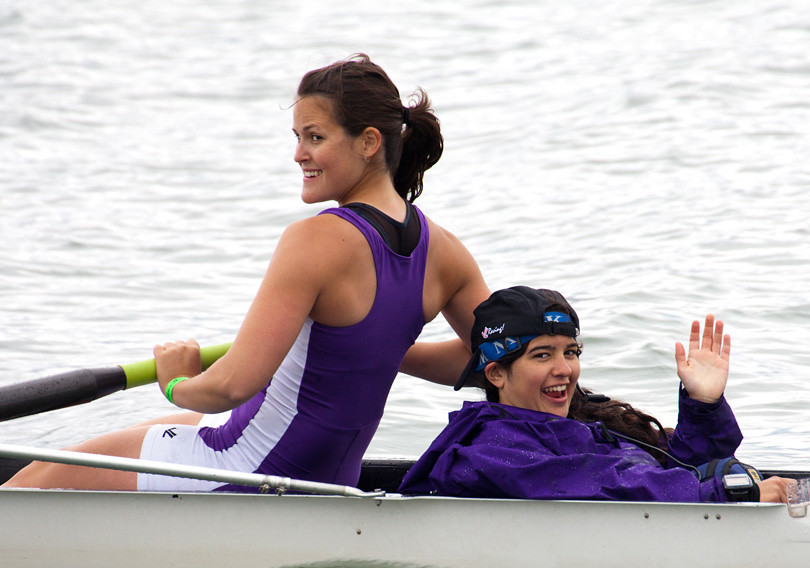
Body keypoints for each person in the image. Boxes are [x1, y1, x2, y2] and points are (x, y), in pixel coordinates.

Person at [4, 54, 490, 492]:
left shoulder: (316, 240)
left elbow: (229, 388)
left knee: (35, 478)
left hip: (250, 468)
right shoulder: (444, 251)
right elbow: (486, 361)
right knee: (174, 421)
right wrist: (380, 345)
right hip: (326, 475)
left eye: (315, 137)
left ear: (368, 142)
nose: (299, 153)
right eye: (297, 137)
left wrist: (177, 378)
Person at [397, 286, 793, 503]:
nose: (564, 369)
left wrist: (703, 404)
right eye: (542, 355)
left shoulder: (584, 424)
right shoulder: (486, 451)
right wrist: (732, 494)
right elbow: (610, 487)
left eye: (571, 352)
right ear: (497, 373)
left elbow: (676, 468)